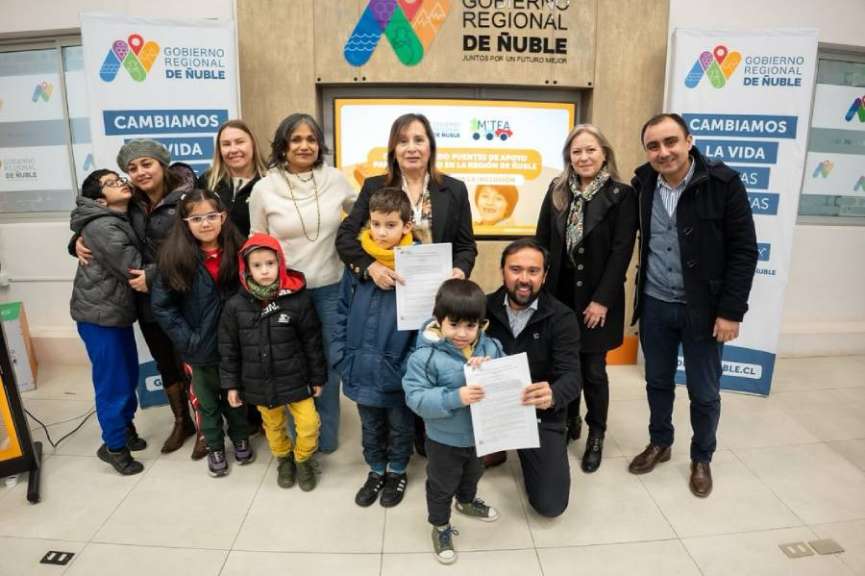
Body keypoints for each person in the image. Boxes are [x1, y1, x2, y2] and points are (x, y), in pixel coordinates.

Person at [627, 113, 757, 498]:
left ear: (689, 141)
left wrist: (731, 311)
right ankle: (660, 442)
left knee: (704, 391)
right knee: (657, 381)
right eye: (653, 146)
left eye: (671, 142)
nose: (663, 152)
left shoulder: (723, 183)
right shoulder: (642, 183)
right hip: (655, 304)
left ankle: (702, 457)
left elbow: (744, 251)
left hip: (704, 310)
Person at [336, 112, 478, 456]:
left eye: (418, 140)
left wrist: (459, 270)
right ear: (393, 149)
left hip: (433, 301)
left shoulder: (454, 189)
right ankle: (396, 439)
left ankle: (425, 431)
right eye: (403, 141)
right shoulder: (375, 186)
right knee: (396, 365)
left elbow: (465, 246)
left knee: (429, 362)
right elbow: (345, 238)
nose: (411, 148)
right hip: (385, 300)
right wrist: (370, 268)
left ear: (430, 146)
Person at [75, 139, 200, 457]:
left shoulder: (188, 197)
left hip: (184, 294)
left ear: (162, 164)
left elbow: (198, 245)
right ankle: (182, 421)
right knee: (165, 363)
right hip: (147, 302)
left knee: (194, 362)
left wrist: (154, 274)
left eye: (147, 164)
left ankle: (205, 428)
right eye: (132, 168)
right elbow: (98, 219)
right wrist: (76, 240)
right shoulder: (130, 200)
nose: (140, 172)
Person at [249, 113, 357, 453]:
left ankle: (326, 436)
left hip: (331, 286)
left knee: (329, 361)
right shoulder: (264, 188)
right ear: (283, 145)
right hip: (284, 291)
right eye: (296, 139)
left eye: (311, 139)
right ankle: (300, 439)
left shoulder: (336, 180)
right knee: (291, 363)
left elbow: (363, 215)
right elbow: (257, 239)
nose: (304, 145)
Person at [536, 124, 637, 473]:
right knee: (564, 364)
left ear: (604, 153)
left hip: (597, 299)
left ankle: (596, 433)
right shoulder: (557, 190)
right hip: (559, 297)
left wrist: (602, 300)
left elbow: (622, 252)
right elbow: (541, 241)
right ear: (569, 156)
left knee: (593, 370)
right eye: (576, 151)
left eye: (590, 149)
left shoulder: (622, 195)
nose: (583, 157)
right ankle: (570, 419)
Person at [151, 189, 254, 477]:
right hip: (199, 348)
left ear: (223, 217)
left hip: (234, 346)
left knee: (236, 397)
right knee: (206, 404)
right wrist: (188, 339)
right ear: (185, 223)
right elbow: (162, 306)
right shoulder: (174, 258)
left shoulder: (241, 251)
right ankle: (215, 446)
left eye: (211, 216)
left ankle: (241, 437)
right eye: (196, 218)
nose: (205, 223)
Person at [403, 279, 503, 565]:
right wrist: (454, 397)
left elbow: (509, 375)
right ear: (439, 320)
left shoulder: (491, 346)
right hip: (444, 440)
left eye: (470, 326)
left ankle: (467, 501)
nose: (462, 333)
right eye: (454, 324)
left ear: (481, 324)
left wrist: (493, 369)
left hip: (481, 435)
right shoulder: (425, 356)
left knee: (473, 473)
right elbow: (415, 398)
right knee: (441, 485)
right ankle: (440, 526)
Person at [331, 187, 417, 508]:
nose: (381, 233)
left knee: (400, 426)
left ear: (407, 226)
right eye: (376, 224)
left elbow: (427, 324)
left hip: (398, 369)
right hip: (360, 367)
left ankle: (397, 471)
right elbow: (341, 311)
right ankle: (377, 470)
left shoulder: (417, 265)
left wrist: (409, 366)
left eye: (390, 225)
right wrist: (341, 357)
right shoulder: (358, 264)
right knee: (370, 426)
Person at [220, 233, 326, 491]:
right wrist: (232, 385)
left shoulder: (297, 299)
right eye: (257, 265)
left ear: (280, 263)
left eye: (270, 263)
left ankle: (303, 459)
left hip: (296, 379)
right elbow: (228, 349)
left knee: (309, 424)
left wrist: (317, 377)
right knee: (273, 426)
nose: (265, 270)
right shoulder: (235, 306)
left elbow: (312, 341)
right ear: (246, 268)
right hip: (260, 383)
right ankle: (284, 460)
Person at [484, 238, 581, 517]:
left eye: (533, 271)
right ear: (502, 270)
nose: (524, 279)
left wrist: (553, 395)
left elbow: (572, 376)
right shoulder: (482, 308)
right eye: (515, 269)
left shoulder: (562, 317)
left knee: (551, 505)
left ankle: (522, 448)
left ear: (545, 275)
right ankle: (496, 447)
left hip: (538, 414)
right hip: (491, 409)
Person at [70, 169, 146, 475]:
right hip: (99, 316)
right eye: (112, 183)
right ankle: (114, 447)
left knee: (127, 376)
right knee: (112, 383)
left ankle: (124, 429)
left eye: (120, 179)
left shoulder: (117, 217)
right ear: (101, 200)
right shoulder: (103, 225)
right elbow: (133, 267)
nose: (122, 183)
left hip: (114, 312)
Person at [198, 119, 267, 236]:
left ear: (253, 144)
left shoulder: (270, 182)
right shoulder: (206, 182)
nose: (233, 150)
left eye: (240, 142)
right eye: (226, 144)